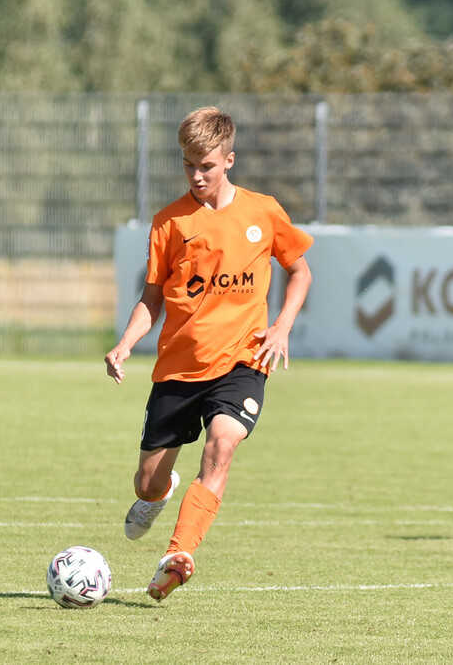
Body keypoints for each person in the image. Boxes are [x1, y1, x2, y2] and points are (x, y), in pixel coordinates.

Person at [104, 106, 313, 600]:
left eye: (207, 166)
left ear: (229, 160)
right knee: (147, 485)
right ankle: (161, 493)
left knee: (222, 447)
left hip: (243, 360)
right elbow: (151, 299)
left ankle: (179, 554)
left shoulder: (263, 212)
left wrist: (281, 327)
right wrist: (126, 342)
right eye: (188, 165)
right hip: (178, 368)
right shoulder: (169, 223)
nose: (197, 176)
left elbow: (300, 271)